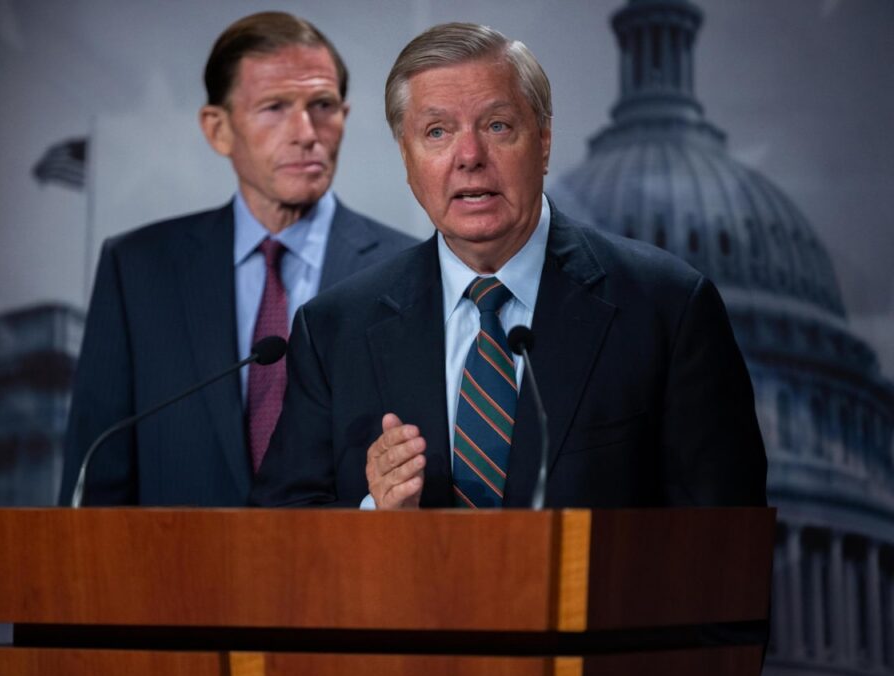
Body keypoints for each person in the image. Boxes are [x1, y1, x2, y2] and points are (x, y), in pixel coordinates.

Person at [250, 22, 767, 510]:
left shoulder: (668, 310)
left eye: (497, 126)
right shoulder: (334, 330)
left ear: (543, 141)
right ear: (406, 158)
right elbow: (281, 531)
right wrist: (375, 519)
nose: (470, 156)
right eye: (437, 132)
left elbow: (723, 541)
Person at [59, 12, 414, 506]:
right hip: (176, 553)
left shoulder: (406, 271)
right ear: (218, 128)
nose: (306, 132)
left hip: (344, 554)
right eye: (275, 107)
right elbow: (96, 481)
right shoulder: (136, 270)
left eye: (323, 106)